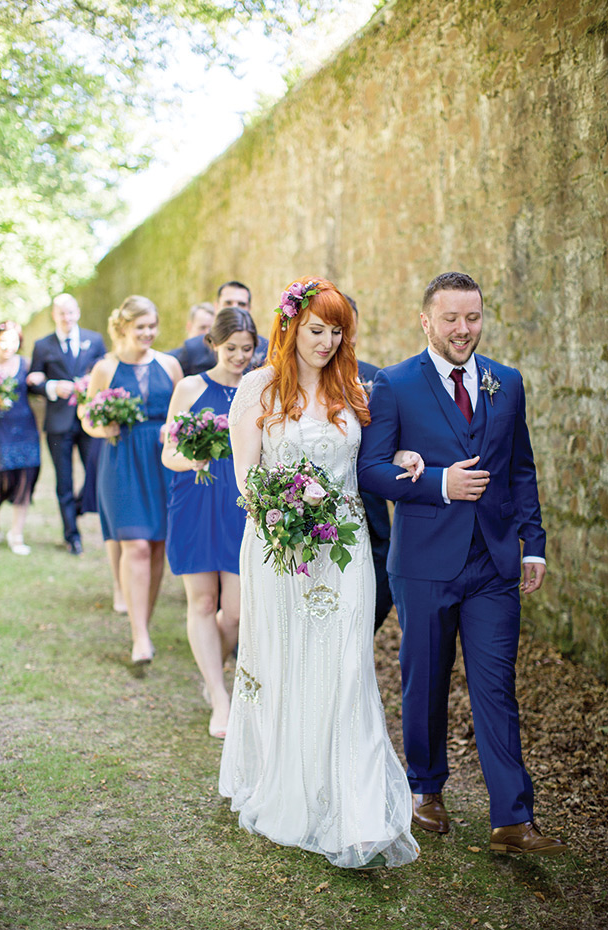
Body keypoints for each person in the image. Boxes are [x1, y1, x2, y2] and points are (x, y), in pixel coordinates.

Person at [357, 271, 566, 856]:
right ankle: (425, 789)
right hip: (423, 561)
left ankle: (512, 820)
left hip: (495, 561)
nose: (463, 329)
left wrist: (533, 542)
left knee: (497, 687)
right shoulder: (394, 384)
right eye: (451, 318)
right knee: (424, 679)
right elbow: (369, 471)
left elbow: (519, 469)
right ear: (427, 321)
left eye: (472, 317)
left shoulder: (507, 381)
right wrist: (440, 484)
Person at [219, 276, 421, 870]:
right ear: (289, 327)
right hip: (280, 551)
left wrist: (405, 457)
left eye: (337, 331)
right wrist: (291, 517)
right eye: (316, 330)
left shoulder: (354, 389)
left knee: (347, 667)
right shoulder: (257, 389)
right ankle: (288, 784)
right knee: (285, 662)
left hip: (347, 552)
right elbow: (246, 481)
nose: (327, 341)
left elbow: (373, 460)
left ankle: (355, 806)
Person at [162, 307, 258, 739]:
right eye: (232, 348)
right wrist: (190, 458)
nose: (240, 357)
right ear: (213, 345)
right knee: (202, 603)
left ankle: (211, 675)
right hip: (196, 499)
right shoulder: (189, 387)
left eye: (248, 349)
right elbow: (167, 453)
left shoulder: (261, 389)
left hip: (241, 505)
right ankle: (220, 698)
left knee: (234, 613)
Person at [82, 296, 182, 665]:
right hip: (121, 459)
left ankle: (145, 621)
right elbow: (86, 415)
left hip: (160, 462)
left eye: (152, 326)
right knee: (135, 545)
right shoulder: (105, 368)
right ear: (123, 327)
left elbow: (183, 412)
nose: (148, 333)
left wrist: (172, 431)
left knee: (156, 546)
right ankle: (139, 635)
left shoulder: (170, 365)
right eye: (140, 327)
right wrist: (99, 425)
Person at [28, 293, 106, 554]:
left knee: (95, 471)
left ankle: (76, 508)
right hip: (58, 423)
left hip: (88, 420)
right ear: (54, 315)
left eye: (71, 312)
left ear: (78, 313)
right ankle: (72, 535)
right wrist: (51, 386)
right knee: (64, 481)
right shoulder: (42, 345)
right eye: (62, 313)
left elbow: (105, 373)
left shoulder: (94, 340)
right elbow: (33, 382)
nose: (67, 317)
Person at [344, 294, 393, 633]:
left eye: (349, 329)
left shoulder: (376, 378)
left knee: (382, 590)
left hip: (372, 508)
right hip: (321, 508)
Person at [0, 321, 41, 555]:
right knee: (4, 475)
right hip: (1, 429)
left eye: (14, 340)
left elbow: (39, 388)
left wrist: (39, 379)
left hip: (26, 426)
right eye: (4, 340)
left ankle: (16, 534)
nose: (9, 345)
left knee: (26, 476)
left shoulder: (26, 364)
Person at [170, 281, 268, 376]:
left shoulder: (265, 348)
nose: (234, 308)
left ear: (249, 308)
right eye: (228, 303)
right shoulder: (193, 347)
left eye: (241, 304)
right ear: (216, 307)